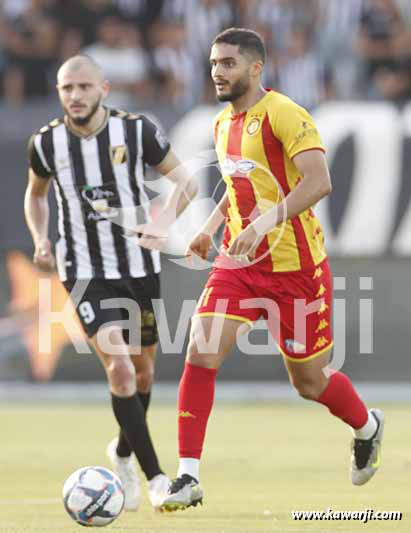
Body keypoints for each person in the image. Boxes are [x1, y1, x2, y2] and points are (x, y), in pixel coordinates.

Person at [155, 28, 384, 511]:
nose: (218, 72)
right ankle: (188, 476)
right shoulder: (222, 124)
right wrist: (211, 227)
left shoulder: (284, 113)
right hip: (238, 264)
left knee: (310, 383)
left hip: (297, 269)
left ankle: (367, 426)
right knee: (199, 350)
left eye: (229, 64)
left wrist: (263, 224)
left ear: (256, 68)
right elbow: (240, 185)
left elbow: (319, 182)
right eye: (215, 63)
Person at [24, 55, 197, 512]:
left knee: (143, 371)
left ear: (103, 88)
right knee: (119, 368)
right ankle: (157, 477)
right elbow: (35, 195)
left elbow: (186, 183)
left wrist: (162, 223)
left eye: (83, 87)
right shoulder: (46, 143)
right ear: (59, 93)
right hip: (82, 270)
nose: (75, 96)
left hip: (139, 268)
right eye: (66, 89)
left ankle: (121, 453)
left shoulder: (136, 130)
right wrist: (41, 239)